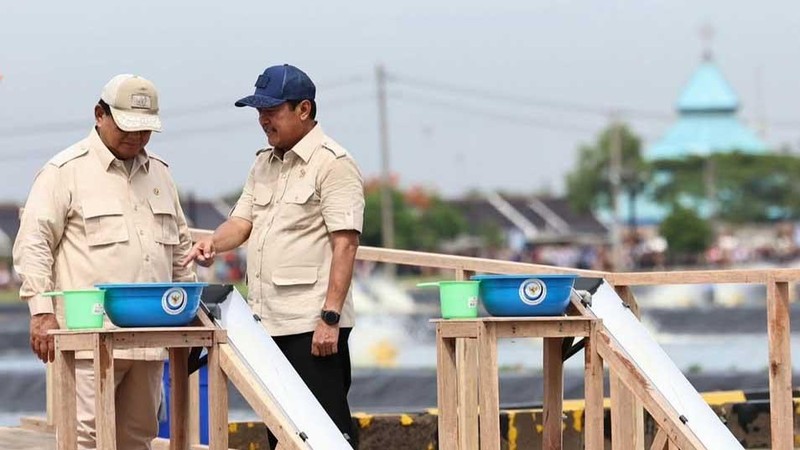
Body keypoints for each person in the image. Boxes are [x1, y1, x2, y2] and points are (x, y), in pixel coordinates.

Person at [183, 64, 364, 449]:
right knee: (281, 432)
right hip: (266, 325)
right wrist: (213, 243)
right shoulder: (263, 163)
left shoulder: (333, 164)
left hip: (312, 326)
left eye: (272, 110)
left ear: (304, 109)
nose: (263, 120)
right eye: (259, 112)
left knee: (326, 434)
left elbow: (345, 243)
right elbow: (241, 221)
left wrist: (330, 317)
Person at [13, 74, 196, 450]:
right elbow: (34, 243)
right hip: (89, 339)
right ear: (100, 115)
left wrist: (188, 317)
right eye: (128, 127)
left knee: (139, 438)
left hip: (149, 340)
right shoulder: (65, 172)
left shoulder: (160, 173)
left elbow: (180, 249)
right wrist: (41, 312)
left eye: (145, 130)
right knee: (86, 439)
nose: (136, 138)